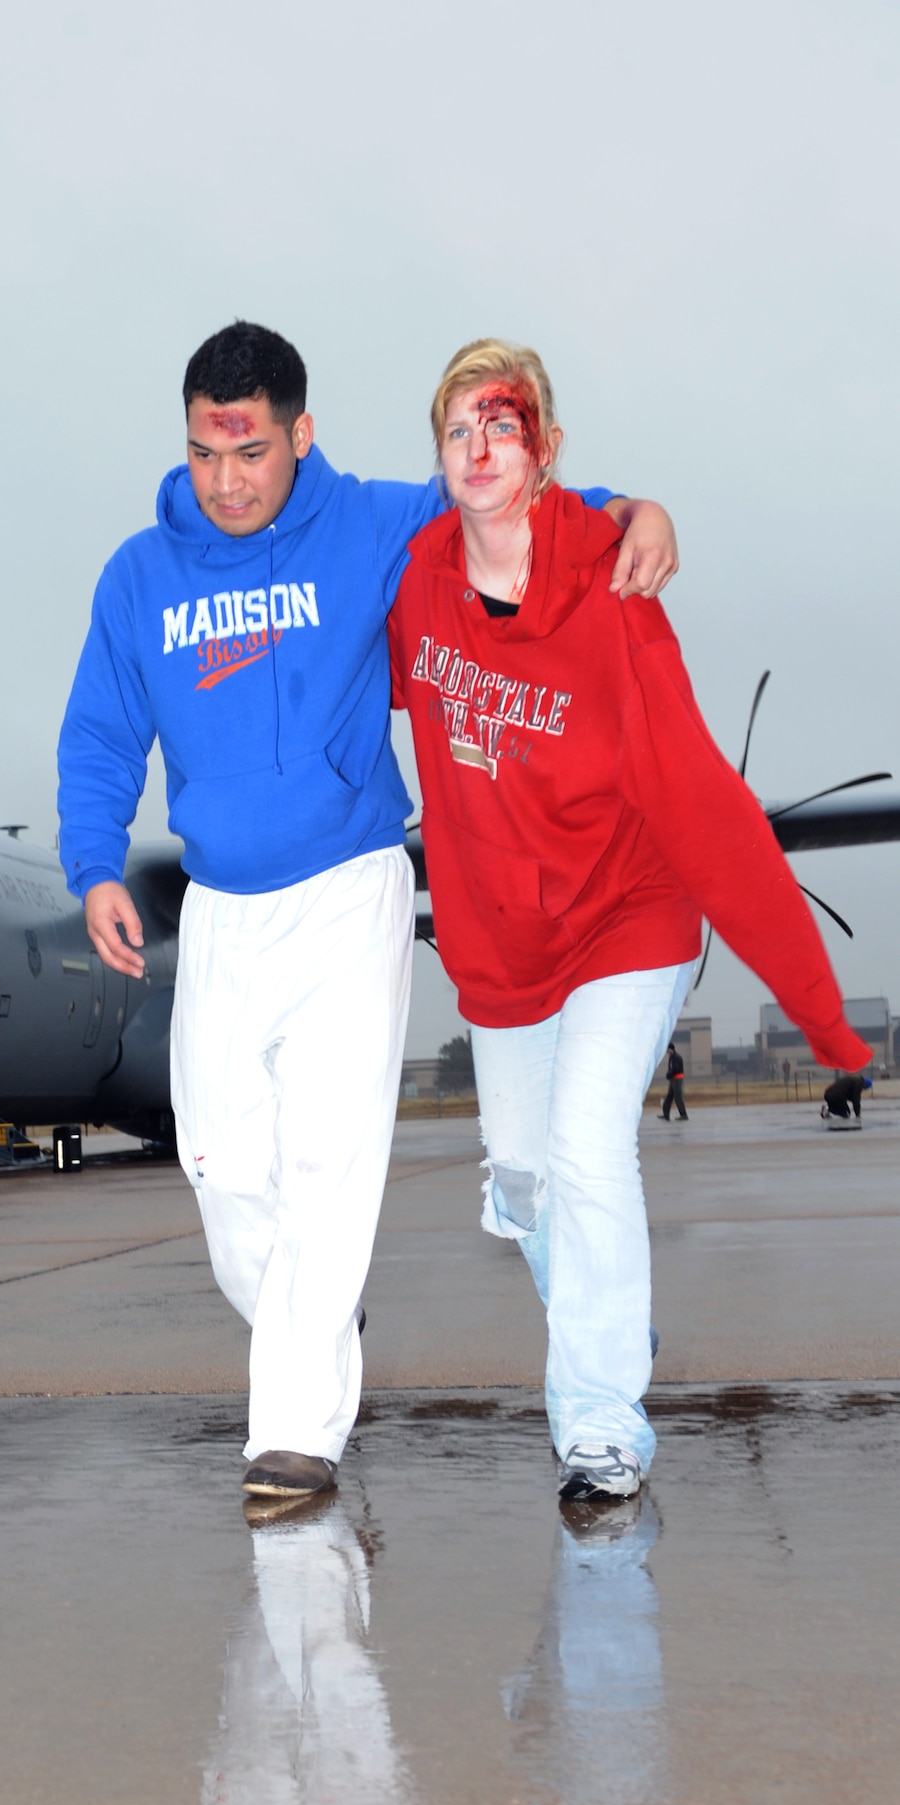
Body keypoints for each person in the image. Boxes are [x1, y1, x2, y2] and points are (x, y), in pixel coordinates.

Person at [57, 321, 678, 1502]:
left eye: (249, 453)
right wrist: (93, 864)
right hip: (225, 910)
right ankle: (317, 1317)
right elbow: (98, 733)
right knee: (225, 1170)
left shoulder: (375, 527)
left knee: (329, 1161)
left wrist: (635, 508)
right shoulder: (139, 576)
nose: (227, 482)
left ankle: (293, 1436)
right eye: (203, 455)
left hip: (349, 888)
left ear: (301, 434)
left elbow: (509, 506)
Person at [388, 338, 872, 1505]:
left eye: (503, 426)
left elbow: (703, 795)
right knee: (521, 1170)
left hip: (629, 911)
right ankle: (612, 1325)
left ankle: (602, 1423)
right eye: (459, 430)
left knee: (590, 1146)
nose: (480, 448)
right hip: (504, 940)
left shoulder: (614, 589)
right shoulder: (412, 584)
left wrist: (820, 1008)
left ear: (546, 449)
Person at [659, 1041, 687, 1121]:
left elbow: (676, 1069)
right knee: (669, 1097)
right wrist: (669, 1074)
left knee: (678, 1098)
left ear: (671, 1049)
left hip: (677, 1079)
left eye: (667, 1049)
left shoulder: (676, 1057)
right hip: (673, 1079)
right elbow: (672, 1068)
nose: (666, 1051)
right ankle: (666, 1114)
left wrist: (669, 1074)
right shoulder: (672, 1057)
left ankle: (683, 1114)